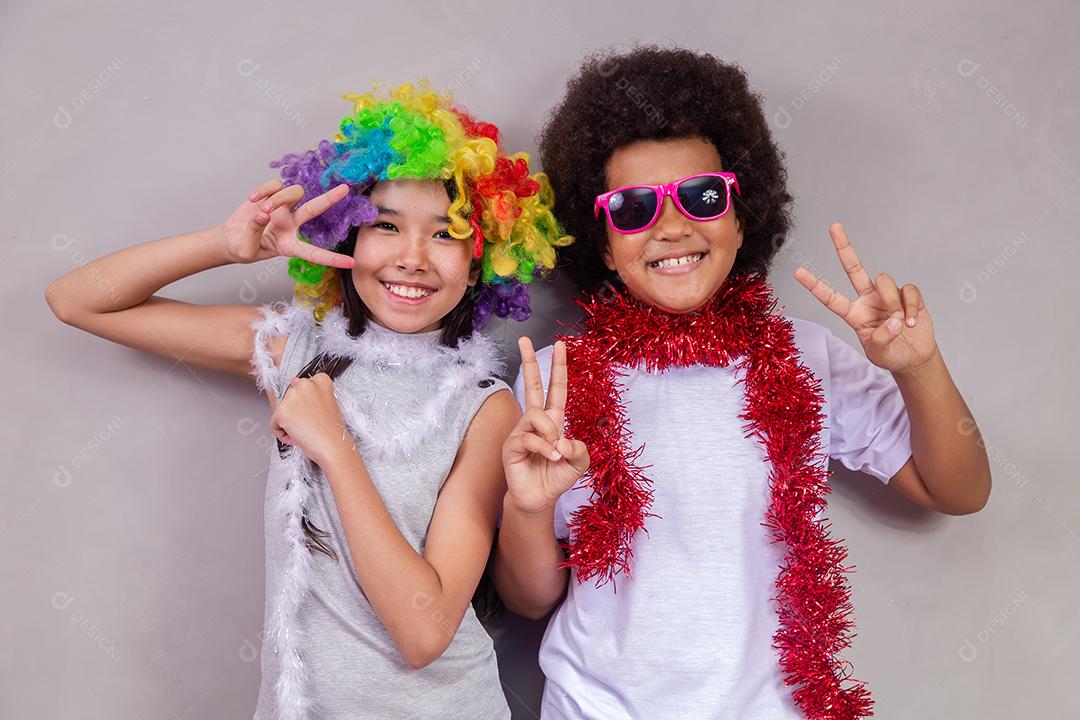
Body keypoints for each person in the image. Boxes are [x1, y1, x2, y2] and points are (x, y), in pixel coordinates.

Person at [45, 79, 571, 720]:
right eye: (385, 225)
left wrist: (336, 450)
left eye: (445, 233)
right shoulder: (293, 351)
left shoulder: (486, 407)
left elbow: (425, 634)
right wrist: (227, 247)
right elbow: (78, 299)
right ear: (346, 238)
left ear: (482, 256)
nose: (412, 258)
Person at [494, 46, 992, 719]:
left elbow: (957, 491)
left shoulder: (804, 356)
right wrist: (526, 508)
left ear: (740, 214)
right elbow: (528, 601)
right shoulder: (555, 380)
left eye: (702, 197)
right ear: (602, 242)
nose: (671, 225)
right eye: (634, 207)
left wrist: (918, 368)